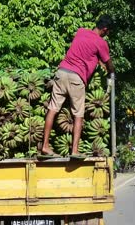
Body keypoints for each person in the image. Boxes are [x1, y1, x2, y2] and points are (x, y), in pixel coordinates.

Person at [40, 15, 115, 158]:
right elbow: (108, 62)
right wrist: (111, 71)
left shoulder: (81, 31)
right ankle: (74, 150)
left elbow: (84, 50)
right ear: (105, 29)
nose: (108, 35)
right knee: (78, 115)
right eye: (108, 31)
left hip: (61, 72)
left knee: (52, 109)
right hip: (77, 77)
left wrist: (96, 60)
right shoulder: (101, 43)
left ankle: (45, 146)